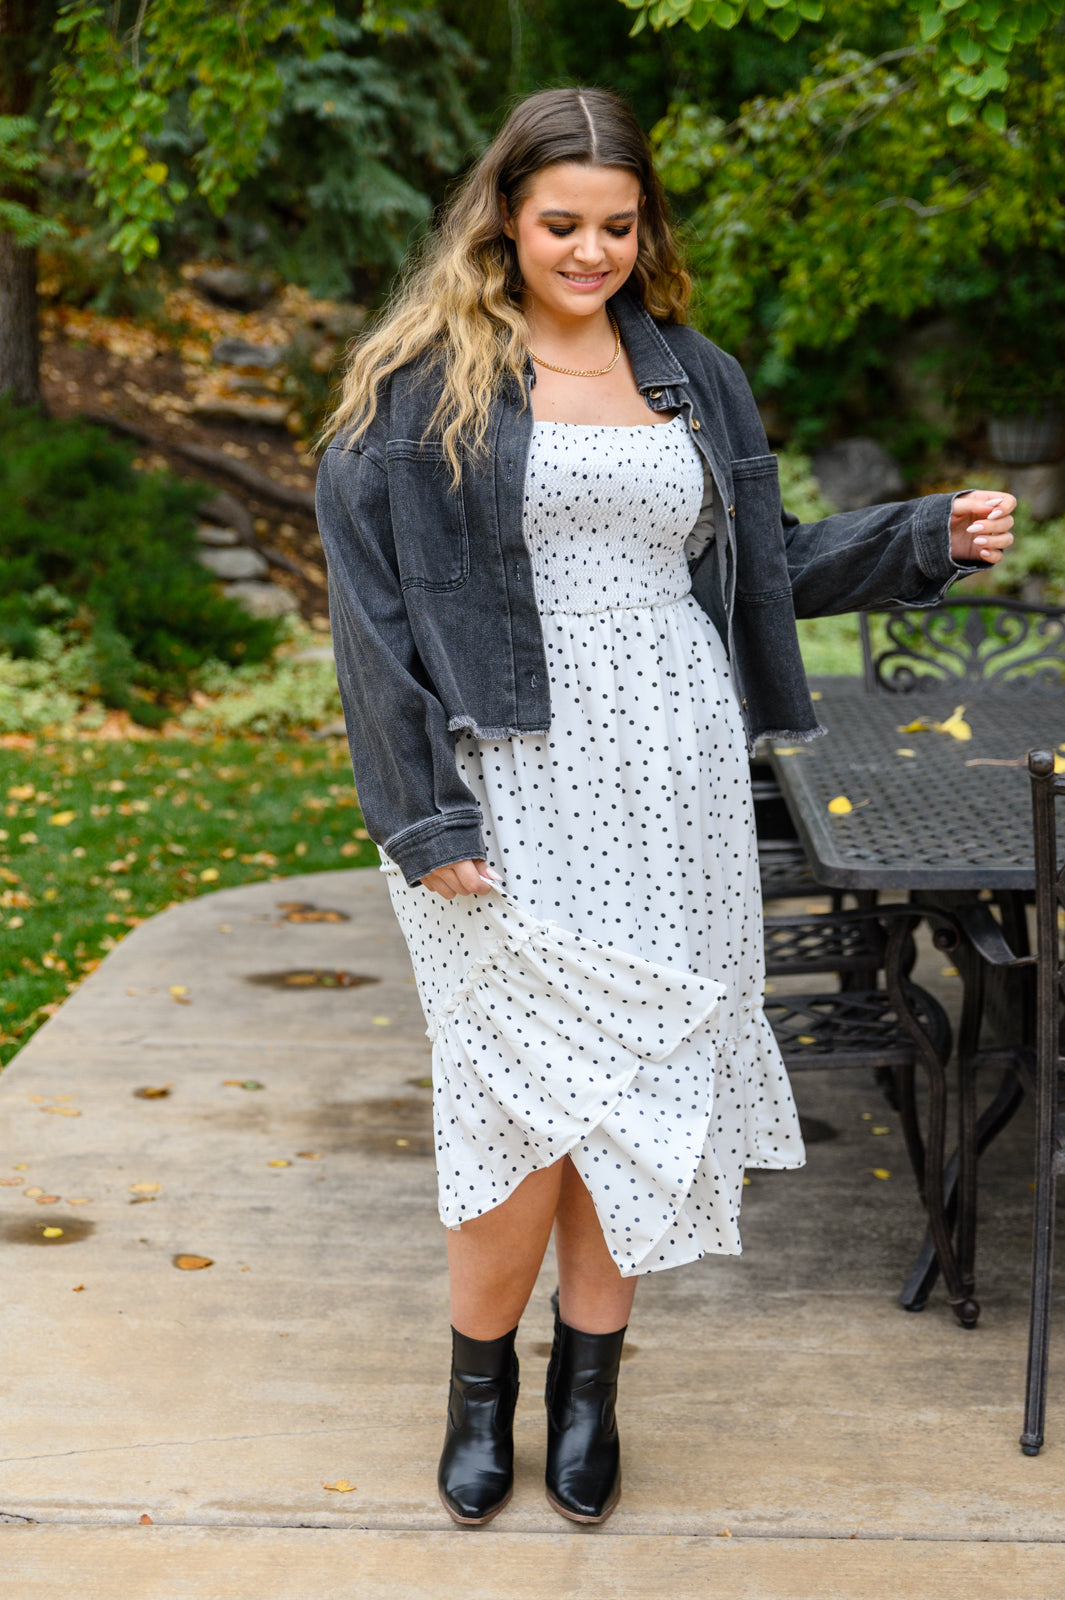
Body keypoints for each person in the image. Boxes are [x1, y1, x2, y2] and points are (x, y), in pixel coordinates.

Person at [315, 86, 1014, 1529]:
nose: (590, 252)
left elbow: (761, 561)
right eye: (560, 224)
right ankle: (477, 1391)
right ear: (502, 218)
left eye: (616, 227)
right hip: (507, 783)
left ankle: (588, 1392)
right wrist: (425, 822)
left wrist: (920, 539)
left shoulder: (694, 375)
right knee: (518, 1112)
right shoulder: (420, 387)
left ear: (646, 228)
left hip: (674, 772)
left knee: (635, 1101)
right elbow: (373, 625)